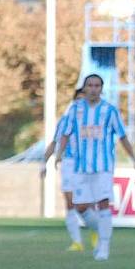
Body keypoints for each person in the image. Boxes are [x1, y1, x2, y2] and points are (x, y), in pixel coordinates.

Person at [55, 73, 135, 261]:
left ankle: (104, 246)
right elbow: (65, 133)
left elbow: (122, 136)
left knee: (103, 204)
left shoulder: (110, 111)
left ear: (101, 89)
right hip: (80, 167)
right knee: (79, 207)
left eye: (97, 85)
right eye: (90, 85)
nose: (93, 89)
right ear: (84, 88)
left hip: (103, 166)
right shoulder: (75, 110)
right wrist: (59, 154)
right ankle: (102, 229)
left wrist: (134, 160)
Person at [41, 87, 96, 251]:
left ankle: (96, 231)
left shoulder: (94, 121)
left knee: (87, 204)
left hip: (88, 165)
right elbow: (54, 142)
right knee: (70, 203)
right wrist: (44, 163)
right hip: (69, 164)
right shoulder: (65, 120)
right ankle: (77, 242)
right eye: (77, 100)